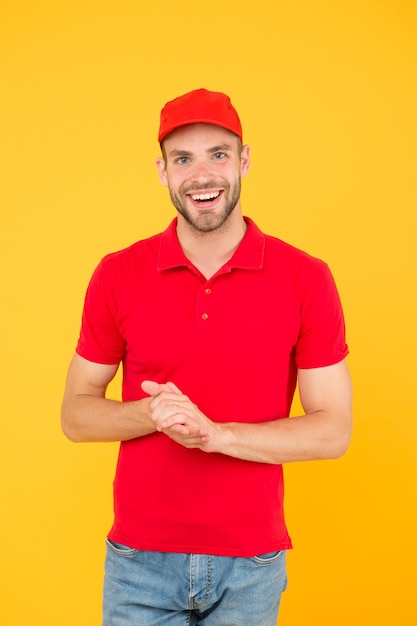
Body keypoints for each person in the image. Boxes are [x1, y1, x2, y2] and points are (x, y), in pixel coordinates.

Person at [61, 88, 352, 626]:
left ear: (243, 161)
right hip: (138, 563)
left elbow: (332, 431)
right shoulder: (117, 274)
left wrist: (219, 436)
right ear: (163, 172)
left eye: (218, 154)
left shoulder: (306, 278)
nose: (202, 175)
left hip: (252, 564)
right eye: (183, 159)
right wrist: (148, 413)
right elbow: (76, 416)